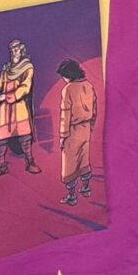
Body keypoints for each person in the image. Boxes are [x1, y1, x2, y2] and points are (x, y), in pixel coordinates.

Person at [54, 58, 97, 206]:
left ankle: (71, 196)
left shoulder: (68, 89)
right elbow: (95, 109)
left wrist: (62, 136)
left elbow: (65, 114)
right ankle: (86, 188)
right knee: (84, 159)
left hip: (72, 130)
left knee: (70, 164)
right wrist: (91, 126)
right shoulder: (89, 85)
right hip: (86, 128)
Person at [0, 40, 39, 173]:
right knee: (2, 137)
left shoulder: (27, 67)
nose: (14, 52)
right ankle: (1, 165)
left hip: (19, 106)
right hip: (5, 109)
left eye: (16, 49)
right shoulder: (6, 68)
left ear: (21, 50)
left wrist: (8, 97)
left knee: (24, 135)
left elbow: (25, 87)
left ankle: (30, 162)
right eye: (12, 50)